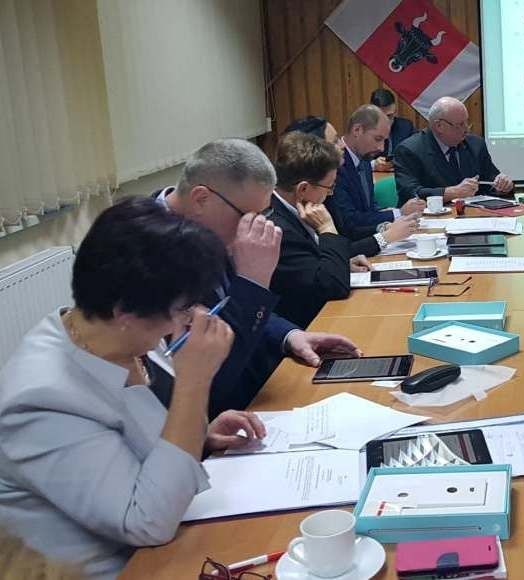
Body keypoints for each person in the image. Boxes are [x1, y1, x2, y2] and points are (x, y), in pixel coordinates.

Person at [0, 197, 266, 579]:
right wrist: (193, 383)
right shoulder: (40, 401)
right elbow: (145, 522)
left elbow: (123, 443)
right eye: (181, 310)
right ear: (125, 312)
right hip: (112, 566)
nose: (187, 321)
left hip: (172, 536)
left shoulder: (110, 332)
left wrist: (201, 436)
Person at [156, 139, 361, 415]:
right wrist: (253, 282)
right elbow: (206, 369)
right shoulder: (146, 248)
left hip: (256, 390)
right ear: (201, 198)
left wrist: (289, 335)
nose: (258, 226)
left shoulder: (208, 224)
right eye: (248, 215)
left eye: (265, 213)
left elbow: (226, 301)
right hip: (210, 410)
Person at [269, 132, 413, 327]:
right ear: (303, 189)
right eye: (329, 187)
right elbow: (332, 287)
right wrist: (327, 229)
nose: (330, 194)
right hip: (309, 326)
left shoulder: (299, 208)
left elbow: (313, 266)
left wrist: (342, 263)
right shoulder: (279, 229)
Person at [328, 105, 425, 241]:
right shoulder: (335, 165)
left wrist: (387, 213)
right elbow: (350, 221)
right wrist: (398, 213)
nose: (381, 148)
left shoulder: (364, 158)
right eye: (378, 139)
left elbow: (369, 207)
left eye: (385, 140)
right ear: (357, 130)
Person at [393, 96, 514, 202]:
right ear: (439, 126)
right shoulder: (409, 150)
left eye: (466, 122)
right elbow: (410, 193)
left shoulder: (476, 145)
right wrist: (452, 192)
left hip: (474, 215)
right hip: (431, 217)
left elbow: (490, 181)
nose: (466, 129)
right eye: (460, 124)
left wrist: (503, 185)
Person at [369, 88, 416, 171]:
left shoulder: (406, 127)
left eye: (390, 115)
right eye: (382, 116)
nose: (386, 121)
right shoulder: (363, 130)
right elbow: (354, 162)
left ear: (395, 111)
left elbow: (417, 154)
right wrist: (373, 164)